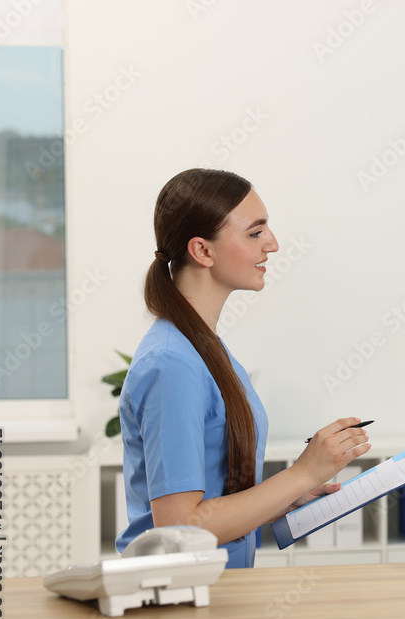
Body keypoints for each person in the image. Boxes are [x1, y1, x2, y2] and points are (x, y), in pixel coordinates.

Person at [115, 169, 371, 568]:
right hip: (179, 596)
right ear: (203, 251)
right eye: (256, 232)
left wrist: (284, 498)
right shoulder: (171, 364)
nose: (273, 244)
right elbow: (180, 527)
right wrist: (301, 475)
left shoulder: (205, 348)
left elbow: (210, 504)